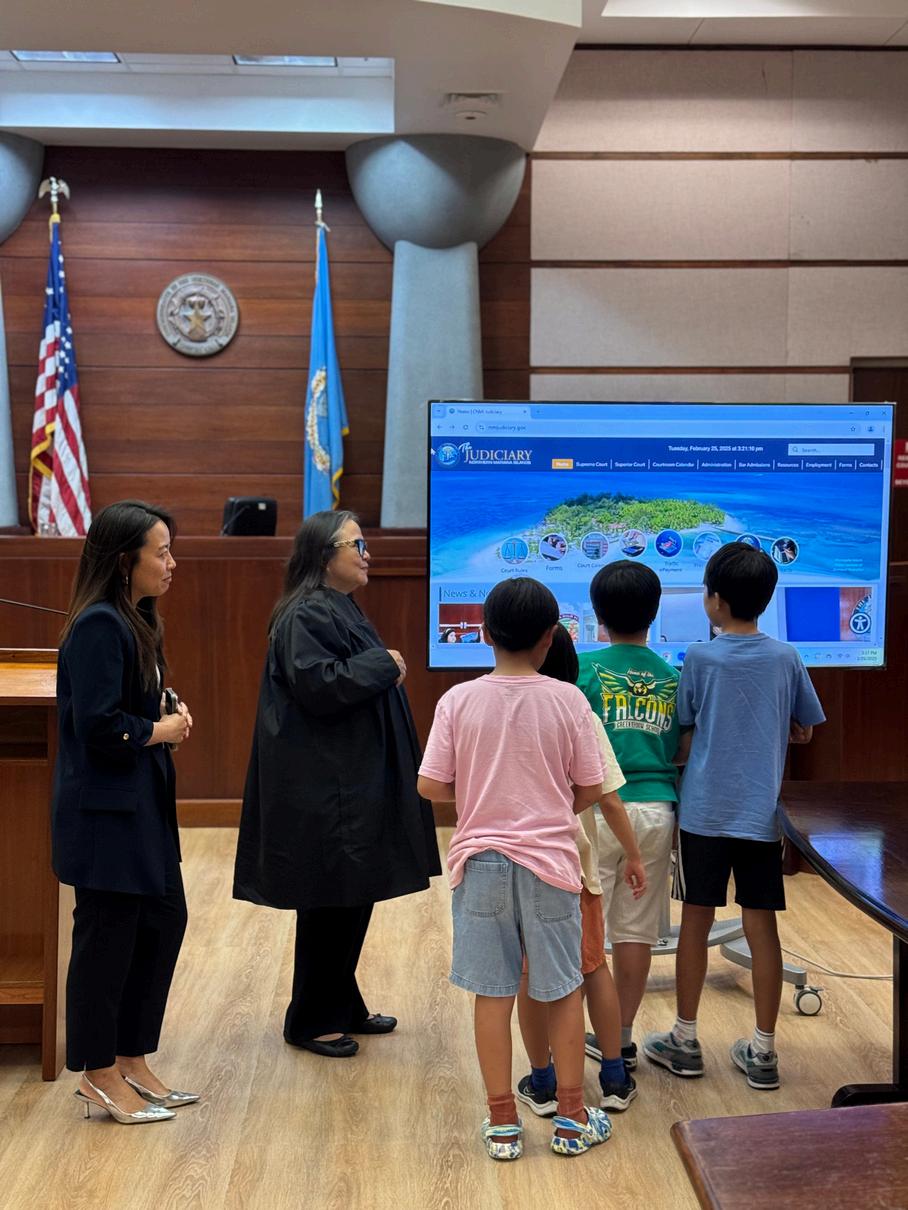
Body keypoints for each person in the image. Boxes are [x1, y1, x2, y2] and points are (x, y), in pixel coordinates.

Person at [233, 510, 441, 1059]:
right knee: (330, 901)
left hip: (348, 780)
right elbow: (319, 686)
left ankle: (341, 1003)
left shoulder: (335, 604)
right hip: (327, 788)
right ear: (325, 556)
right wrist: (384, 664)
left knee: (351, 895)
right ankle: (310, 1019)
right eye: (357, 545)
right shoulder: (306, 611)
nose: (368, 554)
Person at [418, 578, 612, 1161]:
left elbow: (430, 785)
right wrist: (548, 806)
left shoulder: (457, 700)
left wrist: (480, 798)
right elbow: (592, 786)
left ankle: (503, 1124)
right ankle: (572, 1120)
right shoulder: (567, 700)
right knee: (563, 991)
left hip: (479, 863)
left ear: (483, 633)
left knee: (493, 993)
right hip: (552, 865)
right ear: (551, 637)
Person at [643, 543, 825, 1090]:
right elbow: (805, 729)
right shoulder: (787, 657)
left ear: (715, 601)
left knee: (695, 920)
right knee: (761, 924)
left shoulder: (699, 659)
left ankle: (684, 1039)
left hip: (702, 814)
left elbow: (684, 734)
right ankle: (763, 1050)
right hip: (760, 816)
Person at [52, 501, 195, 1124]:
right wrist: (158, 730)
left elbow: (130, 703)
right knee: (107, 940)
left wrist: (163, 712)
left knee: (162, 921)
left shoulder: (138, 621)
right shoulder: (97, 626)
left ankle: (131, 1056)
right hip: (105, 816)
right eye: (160, 552)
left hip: (143, 809)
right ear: (122, 561)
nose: (172, 563)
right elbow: (98, 725)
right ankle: (96, 1071)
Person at [514, 624, 647, 1119]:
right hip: (574, 867)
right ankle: (613, 1078)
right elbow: (608, 797)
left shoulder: (501, 709)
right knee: (592, 968)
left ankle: (542, 1083)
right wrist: (634, 855)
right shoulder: (579, 712)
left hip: (519, 867)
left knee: (530, 976)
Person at [575, 561, 681, 1073]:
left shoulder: (582, 669)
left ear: (598, 615)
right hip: (657, 810)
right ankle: (619, 1038)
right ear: (654, 613)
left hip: (596, 810)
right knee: (636, 931)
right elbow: (679, 746)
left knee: (584, 929)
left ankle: (566, 1036)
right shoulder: (673, 677)